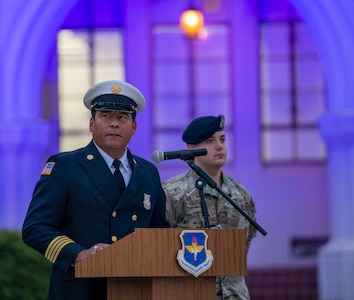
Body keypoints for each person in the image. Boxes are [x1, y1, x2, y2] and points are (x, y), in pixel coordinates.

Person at [22, 80, 170, 300]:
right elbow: (35, 227)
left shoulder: (148, 172)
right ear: (92, 123)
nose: (114, 124)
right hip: (80, 288)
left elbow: (159, 232)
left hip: (134, 288)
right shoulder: (65, 166)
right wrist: (78, 254)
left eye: (122, 117)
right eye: (106, 116)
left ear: (134, 126)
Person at [162, 115, 256, 300]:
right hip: (191, 294)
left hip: (236, 295)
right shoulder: (173, 193)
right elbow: (161, 249)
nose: (220, 146)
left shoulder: (241, 195)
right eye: (210, 141)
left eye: (222, 139)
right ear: (191, 149)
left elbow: (244, 247)